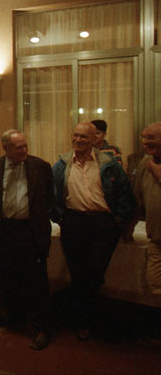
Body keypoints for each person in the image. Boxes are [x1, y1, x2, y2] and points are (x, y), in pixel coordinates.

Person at [52, 122, 135, 341]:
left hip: (103, 224)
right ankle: (84, 322)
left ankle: (82, 317)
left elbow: (126, 193)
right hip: (73, 223)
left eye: (84, 137)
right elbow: (53, 193)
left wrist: (118, 220)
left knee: (94, 271)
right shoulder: (61, 164)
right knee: (78, 272)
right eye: (76, 136)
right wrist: (60, 218)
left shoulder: (108, 163)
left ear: (94, 139)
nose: (78, 140)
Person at [0, 130, 53, 350]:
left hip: (30, 232)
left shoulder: (40, 167)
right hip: (5, 231)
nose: (24, 150)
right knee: (8, 278)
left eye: (25, 146)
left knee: (36, 282)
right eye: (19, 147)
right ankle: (14, 316)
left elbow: (49, 198)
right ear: (5, 148)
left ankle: (41, 328)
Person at [130, 122, 161, 296]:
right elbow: (137, 198)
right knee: (156, 288)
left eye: (151, 138)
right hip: (157, 241)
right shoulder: (145, 162)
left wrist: (157, 172)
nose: (145, 142)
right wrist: (130, 226)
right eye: (143, 137)